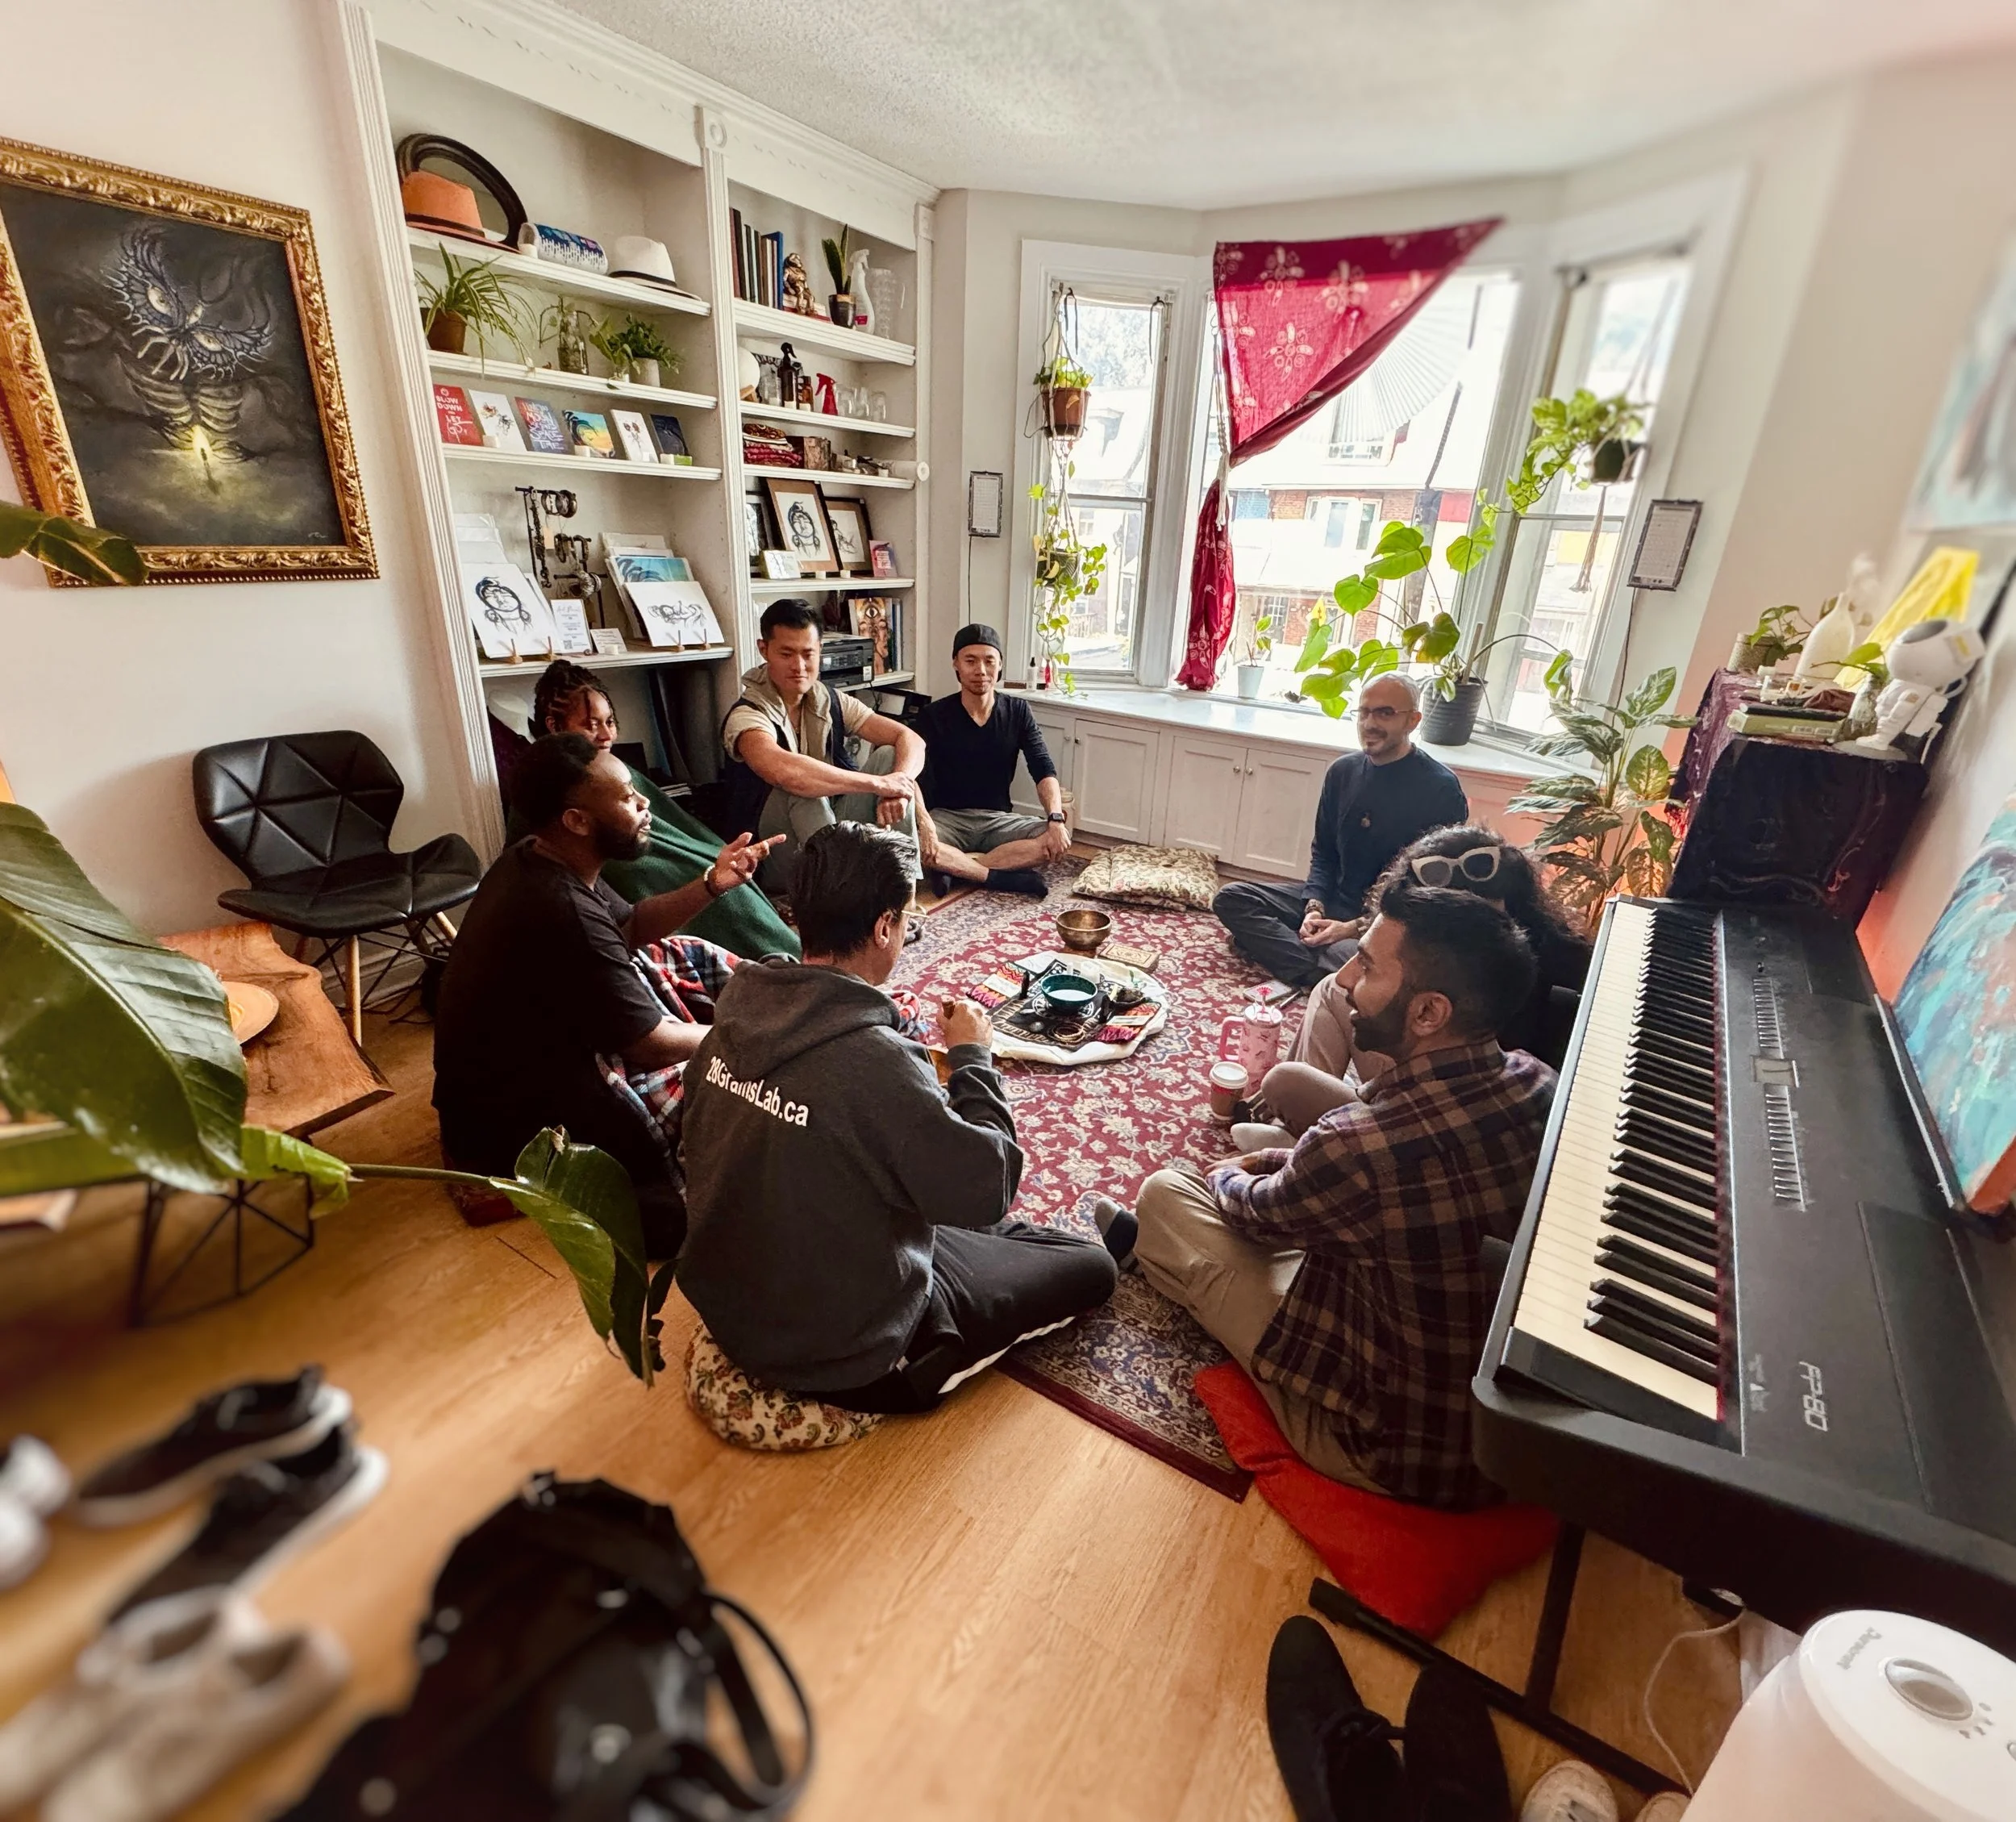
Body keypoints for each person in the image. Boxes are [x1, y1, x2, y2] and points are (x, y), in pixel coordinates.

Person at [1089, 886, 1555, 1507]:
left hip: (1389, 1449)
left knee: (1166, 1196)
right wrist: (1291, 1160)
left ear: (1428, 1013)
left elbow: (1253, 1214)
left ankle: (1147, 1250)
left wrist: (1233, 1172)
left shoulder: (1358, 1146)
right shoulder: (1537, 1078)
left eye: (1365, 966)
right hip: (1506, 1433)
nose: (1343, 978)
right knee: (1295, 1173)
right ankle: (1263, 1182)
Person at [678, 821, 1118, 1411]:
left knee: (920, 1182)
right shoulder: (876, 1062)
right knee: (1091, 1266)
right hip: (851, 1352)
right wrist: (972, 1057)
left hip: (739, 1303)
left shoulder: (737, 1009)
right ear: (885, 926)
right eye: (906, 919)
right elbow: (992, 1186)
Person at [434, 734, 778, 1257]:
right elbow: (650, 1043)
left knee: (673, 952)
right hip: (511, 1121)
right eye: (626, 797)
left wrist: (712, 883)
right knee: (744, 1093)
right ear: (577, 820)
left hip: (524, 1064)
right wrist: (744, 1035)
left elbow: (634, 923)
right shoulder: (557, 906)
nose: (644, 803)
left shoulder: (542, 855)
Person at [1261, 827, 1593, 1129]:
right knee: (1334, 988)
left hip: (1455, 1114)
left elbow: (1443, 1074)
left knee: (1294, 1073)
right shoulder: (1565, 953)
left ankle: (1305, 1129)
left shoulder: (1482, 979)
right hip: (1493, 1101)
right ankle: (1294, 1125)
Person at [520, 661, 798, 961]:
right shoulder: (542, 797)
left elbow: (675, 830)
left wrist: (713, 877)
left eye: (609, 722)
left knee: (724, 874)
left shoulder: (613, 767)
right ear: (554, 726)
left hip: (646, 877)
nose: (605, 735)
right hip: (626, 871)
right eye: (591, 725)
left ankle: (793, 960)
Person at [1212, 674, 1468, 987]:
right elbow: (1324, 853)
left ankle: (1301, 957)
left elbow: (1428, 894)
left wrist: (1352, 928)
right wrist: (1314, 908)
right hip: (1334, 900)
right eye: (1364, 712)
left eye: (1385, 713)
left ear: (1413, 721)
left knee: (1386, 961)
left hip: (1386, 920)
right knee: (1231, 898)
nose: (1369, 723)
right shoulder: (1342, 772)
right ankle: (1320, 971)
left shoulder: (1440, 789)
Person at [717, 598, 926, 896]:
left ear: (820, 652)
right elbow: (788, 773)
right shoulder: (747, 715)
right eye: (786, 654)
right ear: (764, 650)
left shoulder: (830, 699)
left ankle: (901, 894)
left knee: (891, 756)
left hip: (831, 833)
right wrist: (878, 784)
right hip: (774, 851)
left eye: (807, 654)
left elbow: (910, 739)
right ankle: (844, 900)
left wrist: (898, 787)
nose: (799, 666)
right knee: (804, 791)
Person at [912, 623, 1070, 898]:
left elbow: (1043, 768)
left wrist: (1055, 820)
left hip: (998, 820)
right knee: (913, 842)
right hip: (947, 819)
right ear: (956, 665)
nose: (981, 671)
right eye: (970, 661)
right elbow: (910, 776)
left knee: (1054, 839)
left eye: (989, 661)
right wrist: (925, 824)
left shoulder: (1018, 711)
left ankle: (958, 869)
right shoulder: (933, 715)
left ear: (1000, 665)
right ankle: (998, 877)